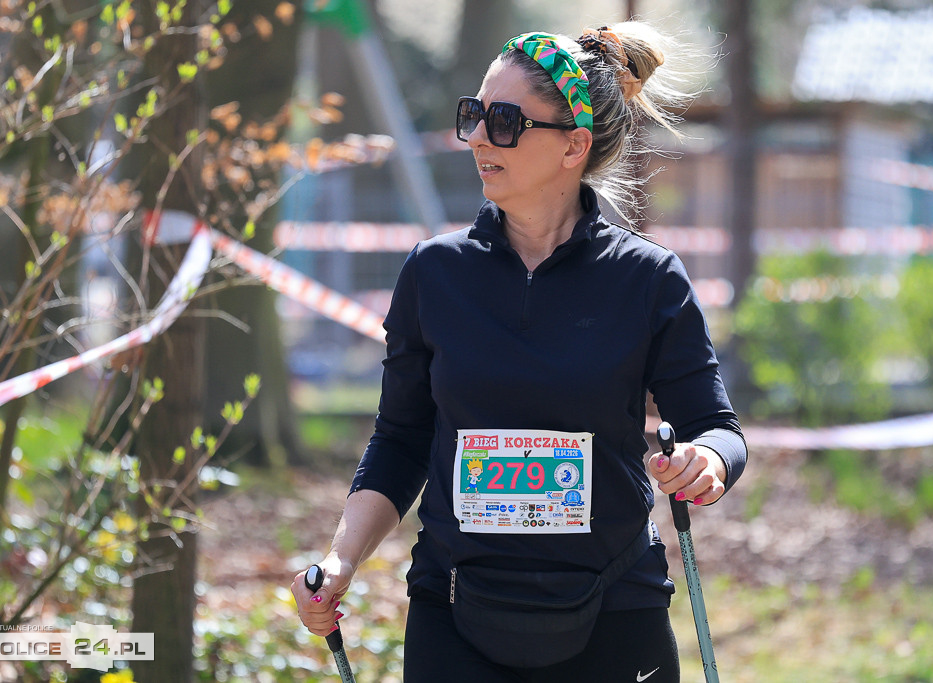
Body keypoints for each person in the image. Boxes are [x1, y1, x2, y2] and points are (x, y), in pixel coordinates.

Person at [292, 19, 747, 683]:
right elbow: (400, 440)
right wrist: (340, 560)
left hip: (614, 611)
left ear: (573, 147)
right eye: (473, 115)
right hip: (454, 611)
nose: (478, 136)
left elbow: (718, 428)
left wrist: (706, 459)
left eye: (504, 120)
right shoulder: (434, 273)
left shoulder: (647, 278)